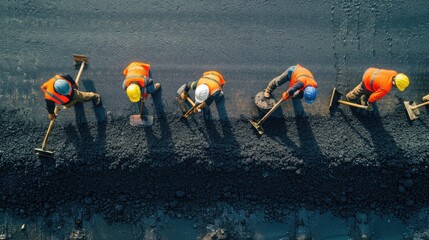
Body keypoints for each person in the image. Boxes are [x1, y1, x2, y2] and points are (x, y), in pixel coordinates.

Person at [345, 67, 410, 111]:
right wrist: (369, 104)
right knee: (363, 89)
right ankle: (350, 97)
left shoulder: (394, 73)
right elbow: (373, 97)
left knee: (363, 87)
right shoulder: (386, 88)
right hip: (367, 81)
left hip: (370, 72)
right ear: (395, 83)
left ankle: (362, 96)